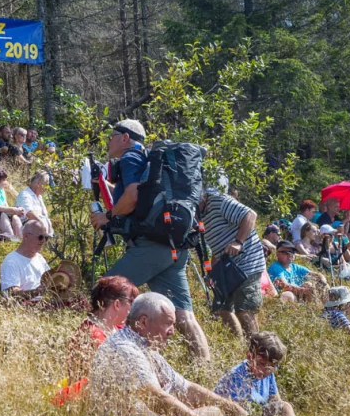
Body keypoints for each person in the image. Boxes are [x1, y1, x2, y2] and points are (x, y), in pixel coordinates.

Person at [90, 119, 210, 359]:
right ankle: (204, 365)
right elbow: (139, 196)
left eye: (112, 135)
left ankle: (93, 353)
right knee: (184, 315)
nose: (108, 140)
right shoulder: (149, 161)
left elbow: (133, 196)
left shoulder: (130, 157)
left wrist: (107, 216)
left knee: (105, 292)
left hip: (151, 246)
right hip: (175, 246)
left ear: (125, 138)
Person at [89, 293, 249, 416]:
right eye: (168, 323)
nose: (173, 331)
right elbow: (158, 400)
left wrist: (230, 407)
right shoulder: (125, 349)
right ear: (143, 322)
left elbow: (184, 387)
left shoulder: (145, 346)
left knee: (215, 412)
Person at [215, 332, 316, 416]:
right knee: (286, 409)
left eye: (272, 366)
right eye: (261, 364)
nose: (265, 370)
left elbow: (275, 402)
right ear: (249, 356)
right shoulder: (236, 377)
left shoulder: (268, 374)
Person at [200, 187, 266, 337]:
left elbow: (250, 215)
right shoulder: (200, 215)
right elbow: (217, 247)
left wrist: (238, 241)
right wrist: (212, 272)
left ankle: (257, 350)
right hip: (227, 266)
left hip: (247, 261)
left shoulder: (218, 200)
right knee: (222, 309)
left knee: (245, 310)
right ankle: (240, 345)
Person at [66, 276, 139, 384]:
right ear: (117, 304)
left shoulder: (118, 328)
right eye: (132, 303)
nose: (134, 310)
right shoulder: (90, 335)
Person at [0, 220, 54, 299]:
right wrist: (36, 292)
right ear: (26, 236)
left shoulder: (40, 258)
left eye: (46, 237)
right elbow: (11, 293)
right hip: (28, 307)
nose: (43, 241)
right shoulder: (11, 261)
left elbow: (50, 281)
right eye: (40, 237)